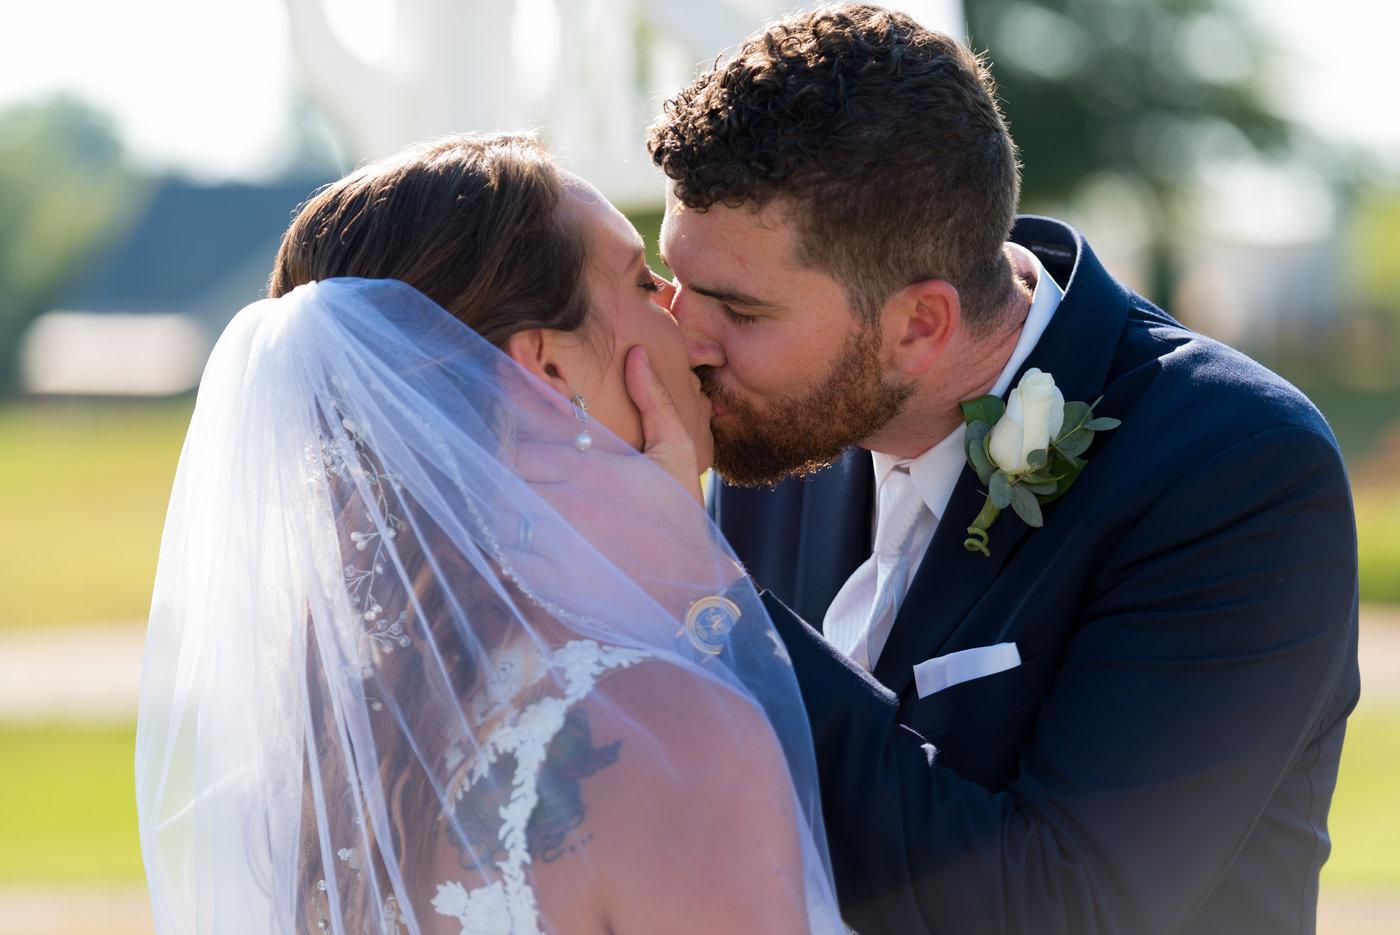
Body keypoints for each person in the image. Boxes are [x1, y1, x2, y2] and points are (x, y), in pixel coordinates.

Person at [643, 4, 1361, 933]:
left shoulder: (1235, 468)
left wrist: (699, 589)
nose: (683, 340)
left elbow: (1063, 905)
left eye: (738, 311)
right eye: (674, 280)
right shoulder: (771, 427)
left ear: (919, 325)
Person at [134, 133, 845, 934]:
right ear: (547, 372)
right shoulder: (674, 737)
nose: (684, 316)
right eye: (644, 281)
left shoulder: (309, 767)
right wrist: (684, 569)